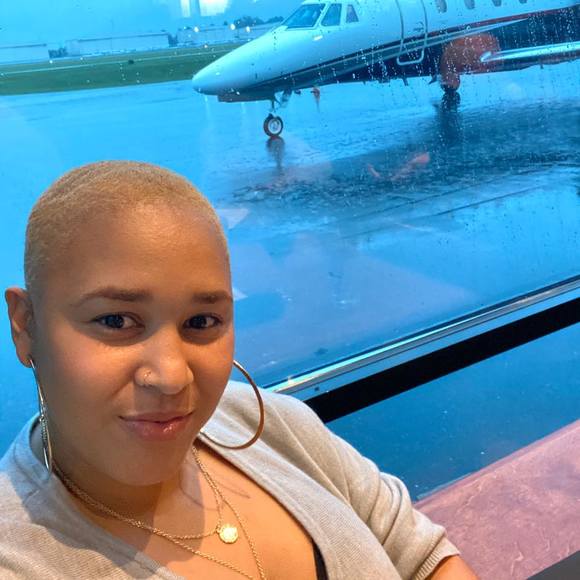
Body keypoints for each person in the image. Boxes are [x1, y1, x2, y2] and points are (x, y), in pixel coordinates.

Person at [1, 162, 477, 579]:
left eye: (200, 322)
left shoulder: (272, 423)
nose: (172, 376)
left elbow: (422, 557)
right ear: (25, 326)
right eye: (115, 321)